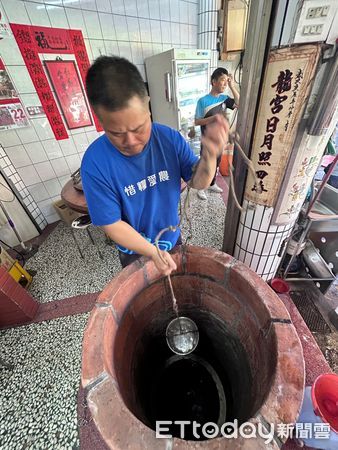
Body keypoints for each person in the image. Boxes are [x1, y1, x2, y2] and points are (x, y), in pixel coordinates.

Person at [81, 56, 229, 276]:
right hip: (133, 248)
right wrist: (151, 251)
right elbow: (111, 224)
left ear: (147, 104)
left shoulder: (168, 138)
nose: (131, 141)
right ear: (100, 119)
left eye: (139, 128)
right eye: (116, 133)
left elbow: (197, 182)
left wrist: (210, 155)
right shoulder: (95, 163)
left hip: (170, 236)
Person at [195, 67, 240, 200]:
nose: (225, 83)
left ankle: (212, 183)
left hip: (220, 139)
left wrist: (232, 86)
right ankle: (201, 187)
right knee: (206, 164)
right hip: (207, 139)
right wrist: (212, 119)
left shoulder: (225, 99)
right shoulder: (203, 101)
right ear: (214, 82)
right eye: (222, 80)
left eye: (227, 81)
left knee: (217, 162)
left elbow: (239, 102)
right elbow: (197, 121)